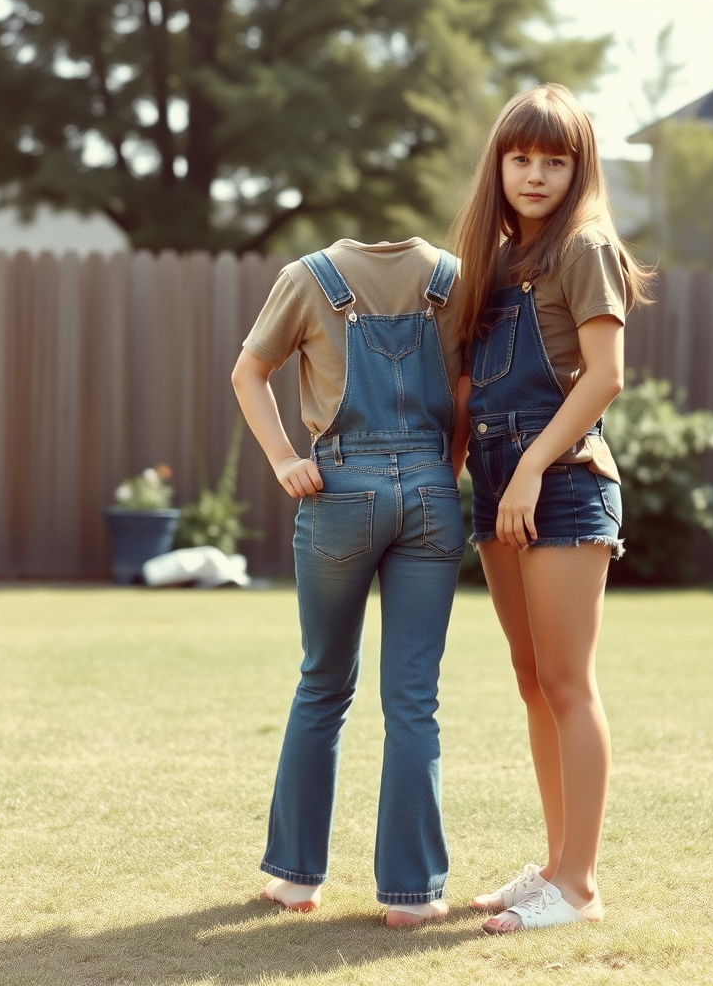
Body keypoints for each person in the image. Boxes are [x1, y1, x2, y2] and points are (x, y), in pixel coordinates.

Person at [449, 84, 651, 933]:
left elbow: (604, 376)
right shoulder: (491, 265)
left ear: (579, 168)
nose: (536, 174)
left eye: (555, 159)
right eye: (522, 157)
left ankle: (579, 885)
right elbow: (463, 393)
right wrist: (450, 473)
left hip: (560, 479)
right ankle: (554, 865)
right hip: (499, 481)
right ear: (499, 163)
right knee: (532, 680)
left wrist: (531, 467)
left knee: (568, 682)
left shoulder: (585, 247)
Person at [231, 238, 467, 928]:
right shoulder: (453, 279)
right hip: (429, 490)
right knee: (413, 700)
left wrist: (283, 459)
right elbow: (466, 389)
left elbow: (249, 372)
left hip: (338, 491)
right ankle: (415, 895)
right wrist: (439, 469)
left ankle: (294, 882)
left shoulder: (307, 278)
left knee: (323, 684)